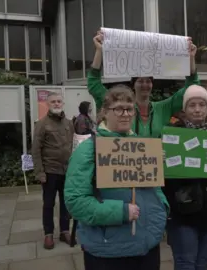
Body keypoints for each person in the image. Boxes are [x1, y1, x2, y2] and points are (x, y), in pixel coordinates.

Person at [64, 85, 169, 270]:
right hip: (109, 251)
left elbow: (154, 188)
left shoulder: (142, 146)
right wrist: (121, 211)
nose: (126, 114)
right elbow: (75, 201)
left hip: (147, 245)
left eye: (129, 109)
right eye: (118, 108)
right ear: (104, 112)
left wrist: (161, 209)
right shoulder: (88, 150)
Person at [162, 85, 207, 270]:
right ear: (185, 109)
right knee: (186, 263)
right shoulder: (172, 132)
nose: (197, 109)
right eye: (192, 105)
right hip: (181, 211)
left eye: (202, 104)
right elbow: (164, 175)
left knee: (202, 264)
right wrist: (160, 159)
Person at [88, 30, 199, 138]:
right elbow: (94, 85)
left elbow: (191, 89)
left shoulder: (163, 108)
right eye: (140, 81)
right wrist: (99, 50)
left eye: (148, 81)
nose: (145, 84)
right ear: (133, 85)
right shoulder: (120, 108)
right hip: (123, 155)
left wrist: (191, 58)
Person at [32, 91, 74, 249]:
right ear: (47, 104)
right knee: (48, 204)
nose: (56, 104)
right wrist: (39, 172)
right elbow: (36, 150)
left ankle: (65, 232)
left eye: (59, 101)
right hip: (50, 172)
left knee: (66, 203)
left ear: (62, 104)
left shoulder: (69, 123)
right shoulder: (41, 124)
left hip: (67, 171)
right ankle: (48, 234)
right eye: (53, 102)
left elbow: (73, 146)